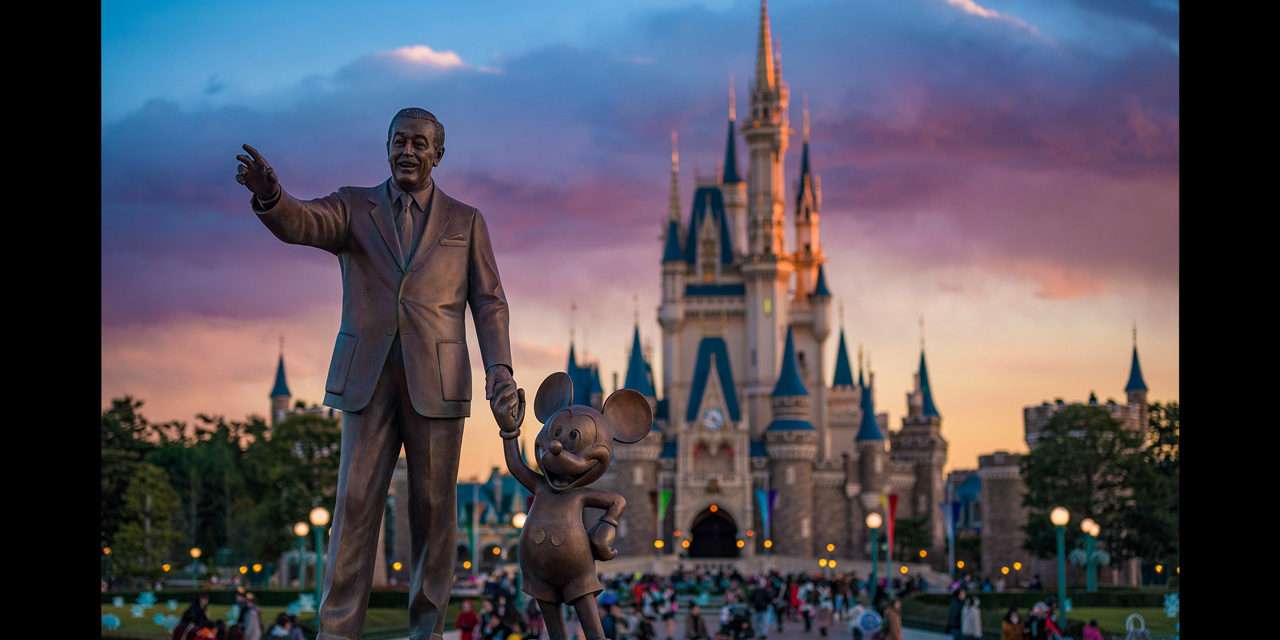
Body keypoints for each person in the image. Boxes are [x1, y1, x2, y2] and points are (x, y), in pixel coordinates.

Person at [235, 107, 518, 640]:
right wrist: (272, 197)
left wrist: (499, 372)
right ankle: (337, 631)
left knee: (434, 516)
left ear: (438, 154)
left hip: (437, 383)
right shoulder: (352, 206)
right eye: (398, 141)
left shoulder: (467, 220)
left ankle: (427, 632)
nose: (407, 151)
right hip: (367, 380)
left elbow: (490, 303)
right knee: (355, 505)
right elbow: (302, 222)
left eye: (419, 143)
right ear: (385, 146)